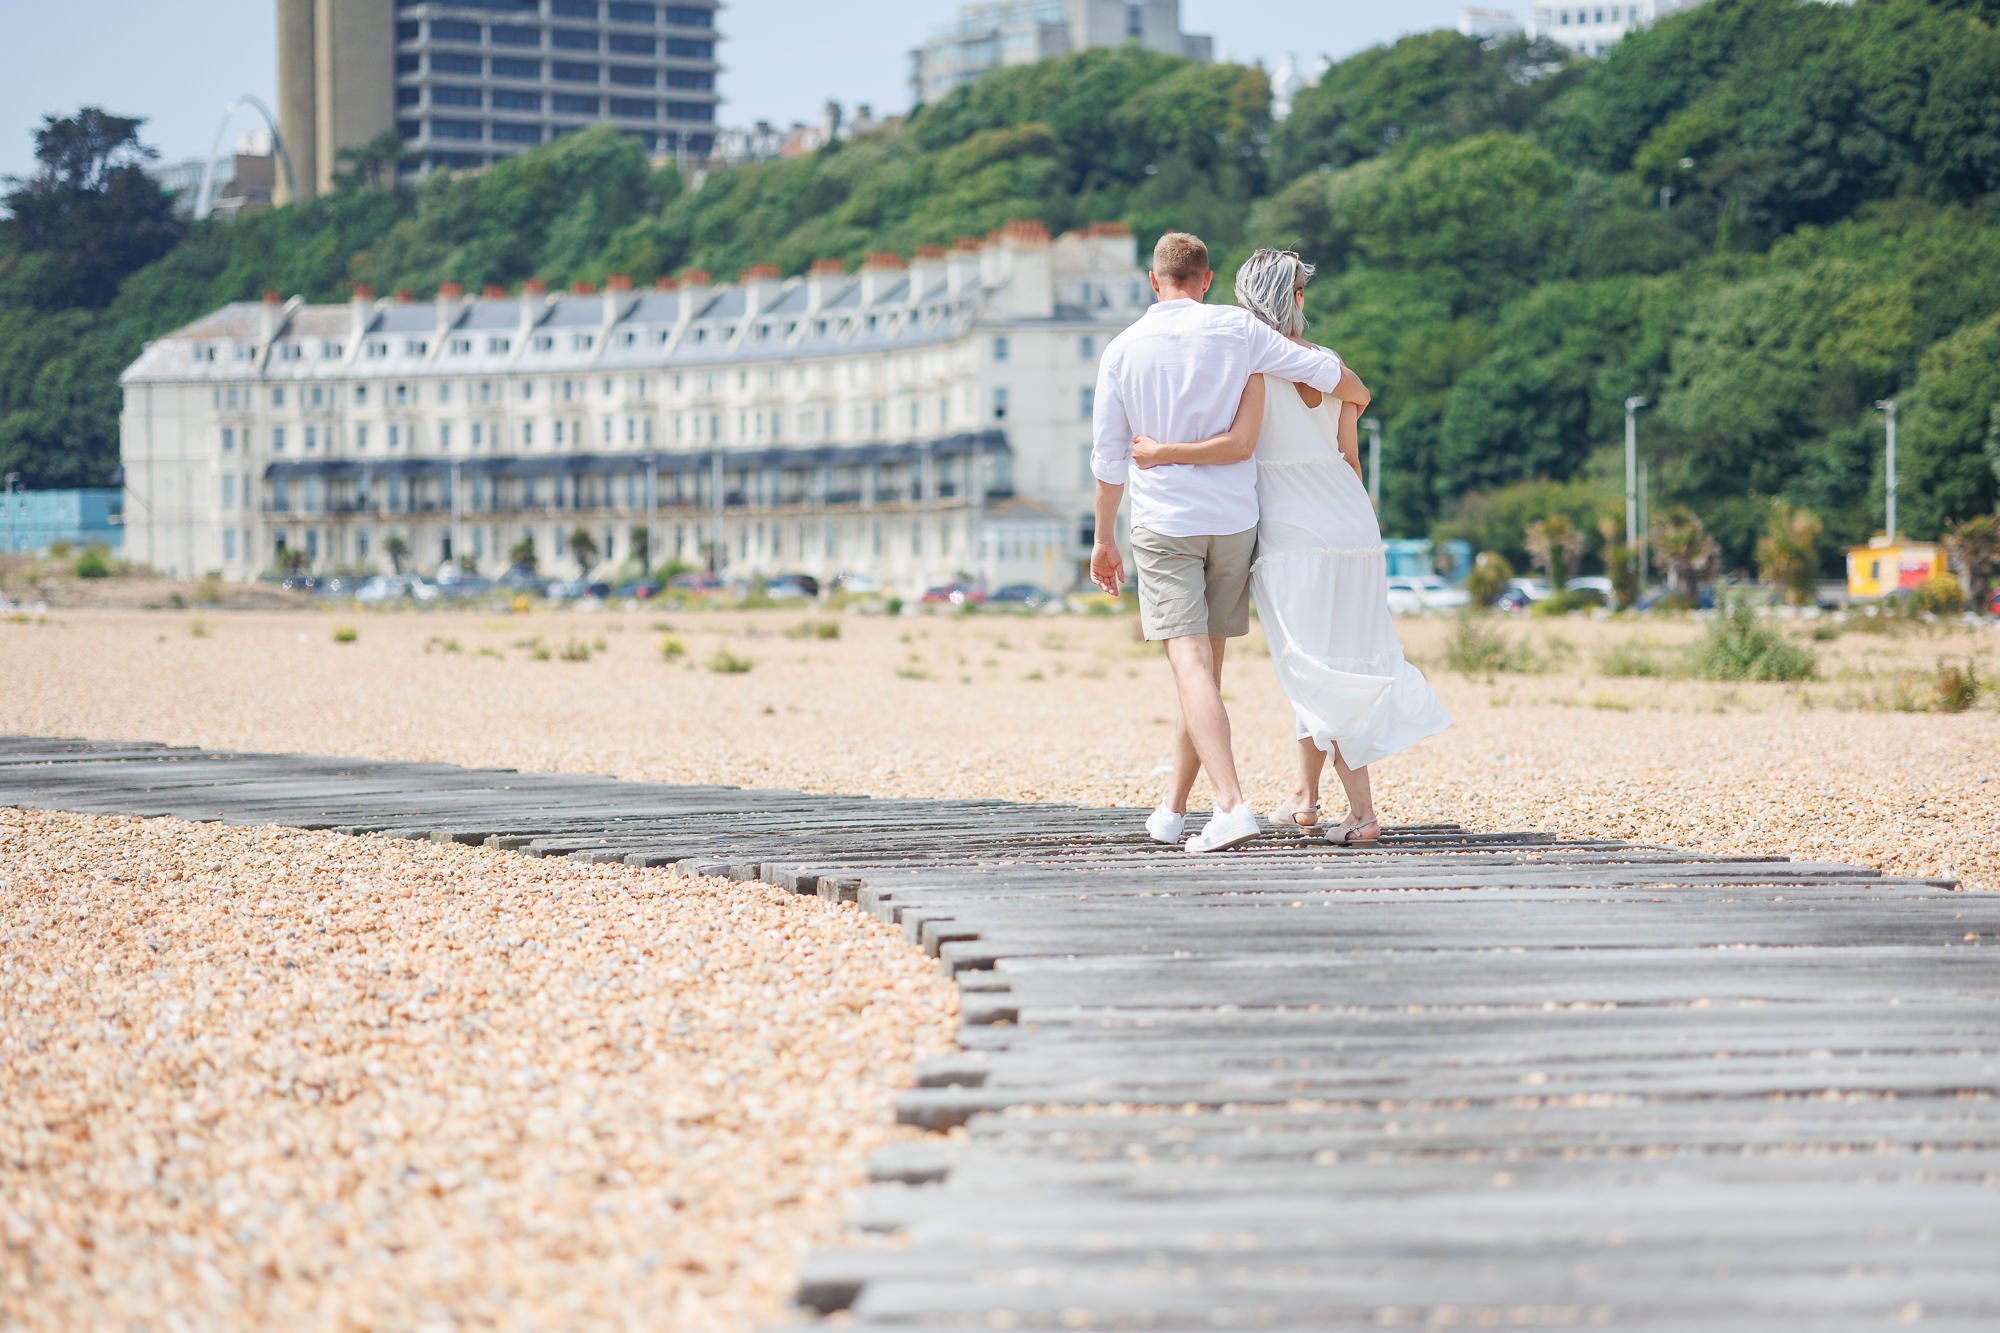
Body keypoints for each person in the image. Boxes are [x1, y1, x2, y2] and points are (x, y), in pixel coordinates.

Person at [1132, 248, 1450, 844]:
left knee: (1314, 668)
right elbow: (1350, 450)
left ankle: (1362, 812)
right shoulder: (1328, 364)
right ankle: (1305, 796)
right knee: (1339, 657)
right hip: (1352, 523)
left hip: (1292, 532)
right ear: (1295, 299)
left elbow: (1236, 445)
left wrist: (1161, 454)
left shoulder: (1249, 369)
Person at [1090, 232, 1359, 853]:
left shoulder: (1122, 349)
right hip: (1235, 522)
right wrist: (1356, 400)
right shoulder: (1238, 329)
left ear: (1153, 280)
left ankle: (1232, 805)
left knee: (1190, 669)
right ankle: (1171, 808)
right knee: (1204, 674)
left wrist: (1104, 538)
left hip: (1166, 524)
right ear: (1207, 279)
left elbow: (1108, 459)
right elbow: (1327, 373)